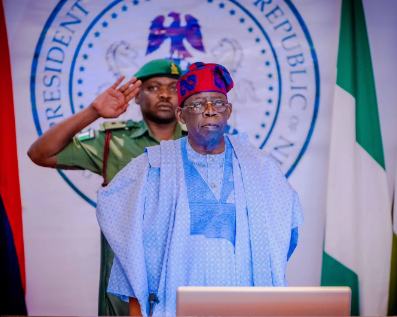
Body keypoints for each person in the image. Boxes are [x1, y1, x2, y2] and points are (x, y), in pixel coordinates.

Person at [96, 62, 304, 317]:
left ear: (228, 111)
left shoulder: (262, 169)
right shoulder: (152, 167)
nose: (209, 111)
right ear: (181, 115)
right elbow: (130, 249)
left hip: (246, 307)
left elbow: (284, 239)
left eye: (218, 103)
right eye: (197, 104)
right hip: (172, 307)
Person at [28, 59, 187, 316]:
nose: (165, 94)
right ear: (136, 96)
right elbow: (40, 153)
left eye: (173, 87)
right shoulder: (113, 139)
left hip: (183, 272)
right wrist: (93, 112)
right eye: (154, 87)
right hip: (125, 282)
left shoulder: (199, 143)